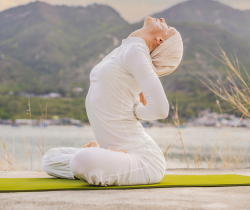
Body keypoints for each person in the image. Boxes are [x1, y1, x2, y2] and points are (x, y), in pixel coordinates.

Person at [42, 16, 183, 186]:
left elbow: (160, 109)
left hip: (145, 161)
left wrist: (136, 109)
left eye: (167, 27)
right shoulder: (127, 48)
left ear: (159, 40)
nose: (162, 19)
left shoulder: (137, 51)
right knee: (50, 158)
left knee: (82, 160)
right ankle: (101, 158)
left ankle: (95, 160)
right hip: (119, 154)